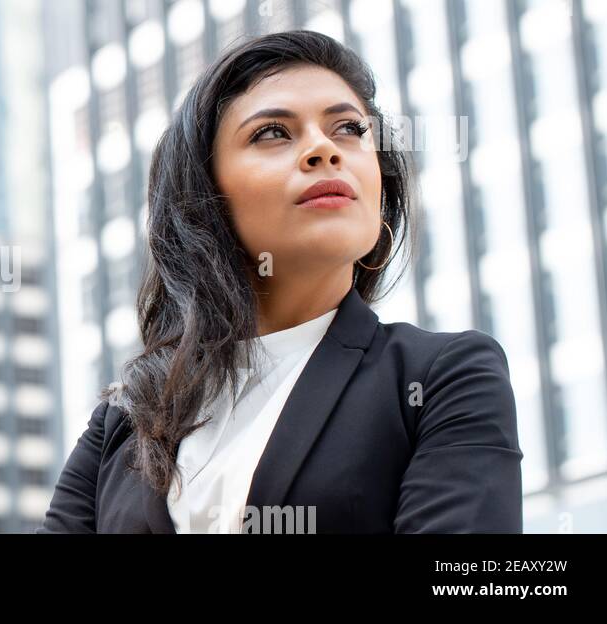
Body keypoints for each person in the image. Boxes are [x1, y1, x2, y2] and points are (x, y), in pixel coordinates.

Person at [37, 30, 522, 534]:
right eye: (272, 133)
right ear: (205, 195)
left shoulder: (441, 378)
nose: (323, 149)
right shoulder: (123, 421)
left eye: (350, 129)